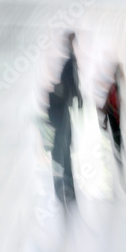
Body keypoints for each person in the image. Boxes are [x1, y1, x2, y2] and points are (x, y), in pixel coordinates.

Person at [49, 32, 83, 208]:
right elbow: (72, 85)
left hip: (64, 111)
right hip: (64, 111)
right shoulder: (70, 62)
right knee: (62, 149)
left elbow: (72, 85)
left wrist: (77, 98)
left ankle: (66, 188)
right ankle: (64, 188)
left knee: (64, 149)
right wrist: (78, 98)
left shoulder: (70, 62)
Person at [99, 63, 125, 181]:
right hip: (116, 123)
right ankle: (120, 172)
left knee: (120, 147)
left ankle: (121, 170)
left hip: (121, 124)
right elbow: (107, 106)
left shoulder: (118, 89)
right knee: (118, 147)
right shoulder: (112, 89)